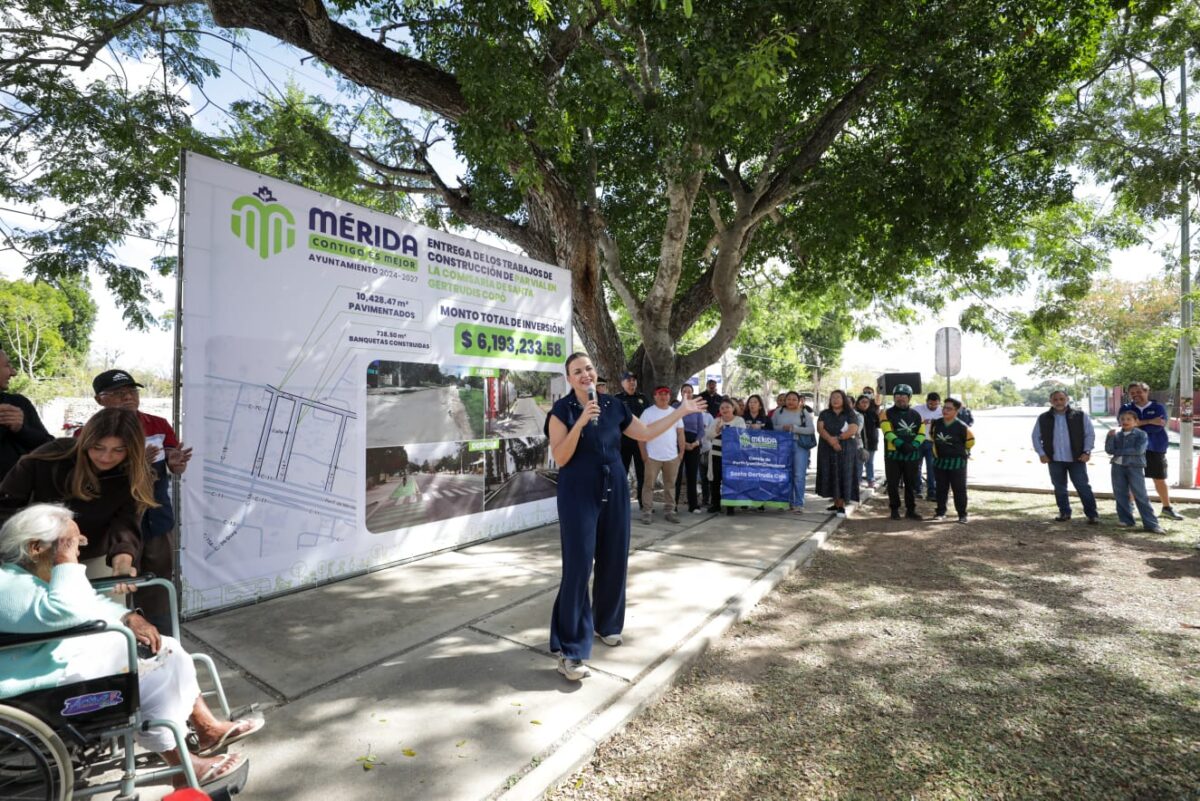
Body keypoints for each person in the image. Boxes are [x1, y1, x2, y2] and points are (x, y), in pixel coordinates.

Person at [0, 504, 263, 787]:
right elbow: (67, 611)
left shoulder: (30, 577)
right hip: (36, 683)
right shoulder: (8, 586)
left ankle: (206, 728)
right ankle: (181, 766)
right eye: (73, 544)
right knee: (146, 674)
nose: (77, 554)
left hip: (54, 663)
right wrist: (65, 559)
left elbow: (87, 604)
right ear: (36, 548)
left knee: (166, 648)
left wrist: (126, 617)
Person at [545, 353, 703, 681]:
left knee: (614, 558)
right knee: (578, 567)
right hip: (578, 493)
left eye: (589, 368)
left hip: (614, 487)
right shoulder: (561, 411)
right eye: (577, 371)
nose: (585, 374)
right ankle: (570, 650)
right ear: (569, 379)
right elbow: (560, 456)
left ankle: (607, 624)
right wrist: (580, 423)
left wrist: (680, 412)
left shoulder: (614, 405)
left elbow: (644, 433)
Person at [91, 369, 193, 630]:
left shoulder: (158, 424)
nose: (128, 397)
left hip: (157, 520)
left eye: (132, 391)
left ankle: (161, 636)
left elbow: (173, 461)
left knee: (158, 582)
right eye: (118, 393)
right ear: (99, 400)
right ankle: (124, 635)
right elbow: (89, 480)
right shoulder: (90, 433)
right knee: (119, 585)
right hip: (116, 529)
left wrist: (176, 463)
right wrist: (132, 465)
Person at [1031, 390, 1099, 524]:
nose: (1059, 402)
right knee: (1060, 488)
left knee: (1083, 486)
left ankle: (1092, 514)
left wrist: (1087, 452)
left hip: (1077, 459)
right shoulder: (1043, 418)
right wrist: (1042, 454)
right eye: (1055, 399)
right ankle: (1064, 512)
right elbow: (1035, 437)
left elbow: (1089, 434)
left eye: (1061, 399)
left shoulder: (1080, 416)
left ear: (1067, 399)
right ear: (1051, 401)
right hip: (1054, 459)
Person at [1119, 382, 1184, 521]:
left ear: (1147, 392)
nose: (1136, 395)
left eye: (1139, 392)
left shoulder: (1158, 407)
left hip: (1155, 448)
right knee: (1132, 479)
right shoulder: (1126, 408)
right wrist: (1149, 421)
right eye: (1132, 393)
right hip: (1132, 449)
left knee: (1159, 478)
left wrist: (1138, 424)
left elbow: (1158, 427)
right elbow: (1125, 425)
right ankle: (1129, 507)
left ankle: (1167, 508)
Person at [1105, 410, 1164, 534]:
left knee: (1140, 494)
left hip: (1135, 467)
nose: (1125, 421)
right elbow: (1109, 450)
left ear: (1136, 422)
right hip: (1117, 466)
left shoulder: (1141, 434)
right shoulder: (1117, 435)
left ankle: (1151, 524)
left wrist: (1118, 451)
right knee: (1120, 494)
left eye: (1128, 419)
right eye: (1122, 419)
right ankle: (1126, 520)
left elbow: (1138, 450)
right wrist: (1109, 437)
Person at [0, 348, 53, 480]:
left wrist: (21, 430)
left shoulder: (19, 403)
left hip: (23, 490)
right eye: (7, 365)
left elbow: (49, 446)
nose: (13, 372)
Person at [638, 386, 685, 525]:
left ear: (670, 396)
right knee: (648, 485)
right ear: (655, 396)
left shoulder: (675, 413)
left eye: (666, 394)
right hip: (652, 456)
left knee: (670, 486)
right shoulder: (648, 413)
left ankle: (670, 511)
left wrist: (681, 452)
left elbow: (680, 433)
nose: (663, 397)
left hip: (672, 456)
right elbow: (640, 434)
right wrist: (644, 454)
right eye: (660, 394)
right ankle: (647, 512)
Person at [880, 384, 924, 521]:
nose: (900, 398)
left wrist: (914, 445)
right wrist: (901, 444)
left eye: (904, 395)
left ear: (909, 397)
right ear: (894, 397)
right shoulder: (886, 413)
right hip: (893, 455)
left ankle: (911, 510)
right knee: (892, 484)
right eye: (897, 395)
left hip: (912, 455)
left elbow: (921, 433)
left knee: (910, 484)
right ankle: (894, 509)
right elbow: (887, 431)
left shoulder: (916, 415)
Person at [815, 389, 860, 517]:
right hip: (827, 447)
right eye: (833, 397)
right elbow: (820, 428)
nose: (835, 400)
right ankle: (836, 503)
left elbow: (853, 429)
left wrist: (838, 439)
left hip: (845, 448)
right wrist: (831, 441)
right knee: (830, 473)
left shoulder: (850, 413)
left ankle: (841, 506)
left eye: (838, 397)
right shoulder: (824, 413)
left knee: (843, 474)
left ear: (843, 399)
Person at [929, 398, 974, 523]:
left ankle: (962, 514)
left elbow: (970, 442)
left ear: (956, 411)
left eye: (949, 409)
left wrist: (961, 452)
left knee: (959, 489)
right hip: (940, 462)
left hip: (957, 463)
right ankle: (940, 512)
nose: (945, 411)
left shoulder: (962, 427)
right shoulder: (936, 423)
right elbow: (933, 437)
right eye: (944, 407)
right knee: (941, 488)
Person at [612, 371, 650, 512]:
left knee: (642, 474)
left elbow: (649, 418)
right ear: (622, 383)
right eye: (628, 380)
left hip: (640, 441)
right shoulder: (617, 399)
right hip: (623, 442)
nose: (632, 382)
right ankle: (620, 503)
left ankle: (643, 503)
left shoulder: (643, 398)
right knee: (621, 473)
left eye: (634, 380)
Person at [774, 391, 815, 512]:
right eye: (788, 399)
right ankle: (787, 501)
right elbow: (772, 427)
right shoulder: (778, 412)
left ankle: (799, 503)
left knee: (799, 475)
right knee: (785, 474)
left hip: (799, 445)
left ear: (799, 401)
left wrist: (795, 429)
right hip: (782, 445)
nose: (791, 401)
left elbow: (811, 429)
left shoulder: (804, 412)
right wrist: (782, 428)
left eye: (794, 399)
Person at [705, 400, 746, 516]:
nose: (725, 410)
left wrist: (728, 431)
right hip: (716, 455)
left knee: (730, 481)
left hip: (732, 457)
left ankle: (730, 506)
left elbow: (743, 436)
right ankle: (716, 505)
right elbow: (708, 436)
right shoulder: (716, 421)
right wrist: (717, 430)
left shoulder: (739, 420)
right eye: (722, 408)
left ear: (733, 408)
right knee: (715, 481)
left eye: (727, 407)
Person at [673, 384, 705, 514]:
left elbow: (701, 430)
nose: (687, 393)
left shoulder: (697, 408)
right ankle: (673, 505)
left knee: (692, 476)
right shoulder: (675, 407)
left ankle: (693, 505)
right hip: (678, 443)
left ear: (692, 393)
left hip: (694, 444)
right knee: (676, 476)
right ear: (681, 393)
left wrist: (695, 443)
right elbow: (672, 426)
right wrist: (682, 443)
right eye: (684, 391)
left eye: (690, 391)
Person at [916, 391, 942, 501]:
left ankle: (931, 492)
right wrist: (921, 422)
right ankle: (917, 490)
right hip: (919, 441)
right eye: (931, 404)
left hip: (932, 442)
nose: (933, 406)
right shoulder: (917, 409)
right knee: (916, 467)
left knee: (931, 468)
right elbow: (911, 423)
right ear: (926, 401)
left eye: (936, 404)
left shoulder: (942, 411)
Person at [855, 394, 879, 489]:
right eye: (863, 402)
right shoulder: (855, 414)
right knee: (859, 463)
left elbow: (878, 425)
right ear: (858, 403)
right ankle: (857, 481)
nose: (865, 404)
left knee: (870, 462)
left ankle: (871, 480)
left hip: (871, 442)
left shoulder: (873, 413)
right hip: (859, 443)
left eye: (867, 402)